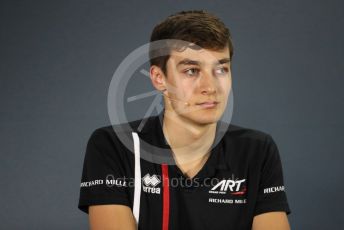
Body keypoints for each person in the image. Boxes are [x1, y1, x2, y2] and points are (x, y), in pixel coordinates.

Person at [78, 10, 291, 230]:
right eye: (191, 71)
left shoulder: (256, 151)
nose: (210, 87)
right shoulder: (114, 145)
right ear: (159, 78)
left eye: (221, 69)